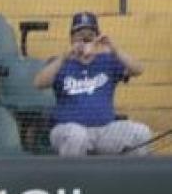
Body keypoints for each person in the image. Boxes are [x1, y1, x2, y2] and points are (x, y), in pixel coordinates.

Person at [33, 11, 151, 156]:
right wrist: (64, 56)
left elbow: (138, 70)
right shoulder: (60, 62)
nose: (85, 39)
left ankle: (129, 178)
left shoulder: (107, 60)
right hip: (67, 129)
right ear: (71, 39)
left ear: (97, 38)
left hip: (104, 130)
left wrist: (114, 48)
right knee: (77, 136)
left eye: (90, 36)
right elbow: (38, 83)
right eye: (79, 35)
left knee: (141, 133)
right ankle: (73, 179)